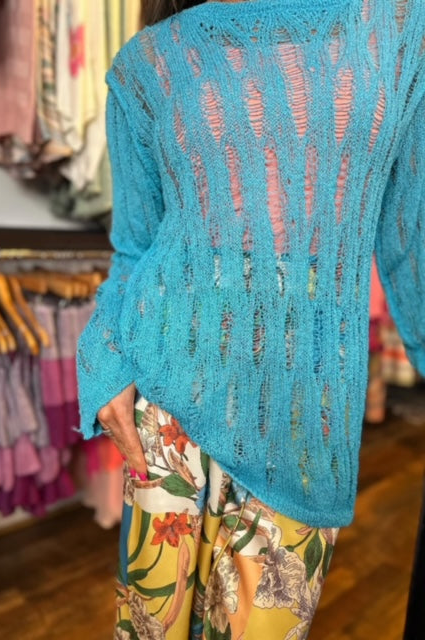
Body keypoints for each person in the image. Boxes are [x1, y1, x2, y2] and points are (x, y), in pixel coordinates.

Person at [76, 0, 425, 637]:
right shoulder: (147, 62)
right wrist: (104, 357)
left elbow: (414, 235)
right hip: (167, 393)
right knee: (154, 627)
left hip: (305, 405)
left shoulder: (398, 31)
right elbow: (134, 246)